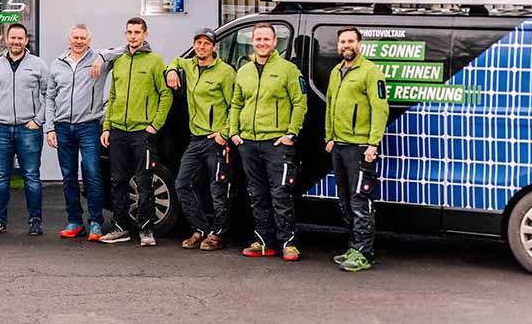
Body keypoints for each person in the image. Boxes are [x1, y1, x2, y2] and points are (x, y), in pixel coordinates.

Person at [229, 23, 307, 261]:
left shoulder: (288, 70)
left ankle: (288, 243)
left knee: (280, 193)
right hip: (249, 142)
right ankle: (264, 241)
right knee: (256, 193)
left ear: (275, 43)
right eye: (258, 39)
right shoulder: (244, 71)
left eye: (266, 39)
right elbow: (236, 104)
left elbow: (300, 103)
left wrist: (291, 133)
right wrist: (234, 133)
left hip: (276, 142)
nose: (262, 43)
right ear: (252, 42)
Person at [99, 17, 173, 247]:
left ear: (145, 34)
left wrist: (154, 125)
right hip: (119, 130)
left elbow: (166, 94)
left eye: (137, 32)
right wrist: (107, 126)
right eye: (129, 32)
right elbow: (113, 96)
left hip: (143, 132)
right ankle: (120, 227)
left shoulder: (155, 61)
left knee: (144, 181)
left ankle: (146, 229)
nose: (133, 36)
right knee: (118, 181)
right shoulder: (119, 61)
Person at [45, 24, 119, 241]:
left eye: (83, 38)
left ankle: (96, 222)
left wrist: (102, 57)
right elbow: (50, 97)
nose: (79, 41)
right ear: (69, 39)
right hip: (62, 126)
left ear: (89, 40)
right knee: (68, 177)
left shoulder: (98, 60)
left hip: (88, 126)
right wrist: (49, 128)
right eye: (75, 37)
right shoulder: (58, 64)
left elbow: (128, 48)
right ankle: (75, 221)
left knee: (92, 174)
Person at [325, 26, 389, 272]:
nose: (346, 45)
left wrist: (373, 143)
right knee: (345, 201)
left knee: (361, 201)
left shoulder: (371, 72)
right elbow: (331, 105)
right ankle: (353, 247)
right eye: (342, 41)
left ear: (359, 44)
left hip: (361, 147)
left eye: (350, 41)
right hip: (339, 145)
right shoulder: (336, 71)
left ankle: (365, 253)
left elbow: (380, 109)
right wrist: (329, 136)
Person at [166, 27, 236, 251]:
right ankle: (200, 229)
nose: (201, 47)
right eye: (198, 42)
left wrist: (224, 134)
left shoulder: (225, 72)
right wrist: (171, 71)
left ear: (214, 47)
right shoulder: (191, 66)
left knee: (218, 190)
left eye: (206, 43)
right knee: (182, 184)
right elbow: (177, 60)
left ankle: (217, 235)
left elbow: (235, 105)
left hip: (216, 140)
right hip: (195, 139)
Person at [0, 23, 49, 236]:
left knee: (31, 176)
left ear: (26, 41)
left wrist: (38, 119)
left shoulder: (38, 65)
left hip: (29, 128)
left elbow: (49, 94)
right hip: (0, 129)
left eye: (20, 38)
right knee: (0, 178)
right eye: (13, 38)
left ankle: (35, 221)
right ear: (6, 40)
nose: (16, 41)